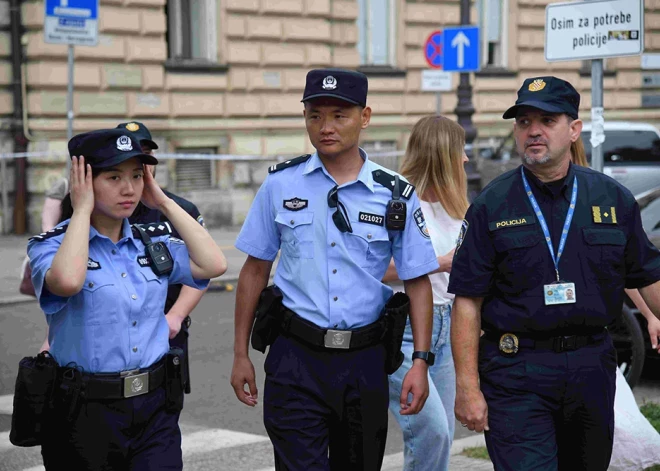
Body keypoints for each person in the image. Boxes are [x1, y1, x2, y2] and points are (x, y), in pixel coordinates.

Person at [230, 68, 439, 470]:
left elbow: (417, 281)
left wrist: (420, 361)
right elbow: (254, 270)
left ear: (365, 116)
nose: (325, 127)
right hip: (295, 358)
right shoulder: (280, 185)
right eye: (315, 115)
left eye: (339, 115)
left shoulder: (394, 194)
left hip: (365, 362)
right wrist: (240, 353)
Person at [448, 76, 660, 471]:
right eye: (524, 122)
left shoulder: (611, 199)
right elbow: (466, 301)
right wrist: (467, 387)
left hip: (591, 367)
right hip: (516, 370)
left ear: (574, 129)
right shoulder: (491, 205)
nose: (534, 131)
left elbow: (647, 275)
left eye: (546, 120)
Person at [27, 128, 227, 470]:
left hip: (154, 410)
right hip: (84, 412)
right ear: (84, 180)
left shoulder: (152, 243)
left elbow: (214, 264)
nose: (129, 188)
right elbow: (68, 281)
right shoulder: (51, 245)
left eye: (137, 175)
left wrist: (162, 200)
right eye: (114, 176)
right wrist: (80, 211)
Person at [381, 115, 468, 471]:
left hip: (449, 325)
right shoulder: (397, 203)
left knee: (442, 432)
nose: (465, 160)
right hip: (404, 328)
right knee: (431, 430)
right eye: (460, 152)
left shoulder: (459, 209)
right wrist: (438, 262)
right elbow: (374, 268)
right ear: (443, 155)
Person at [120, 121, 208, 396]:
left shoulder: (179, 210)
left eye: (146, 154)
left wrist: (175, 317)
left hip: (166, 330)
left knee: (164, 410)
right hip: (113, 332)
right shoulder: (102, 209)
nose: (143, 166)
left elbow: (203, 271)